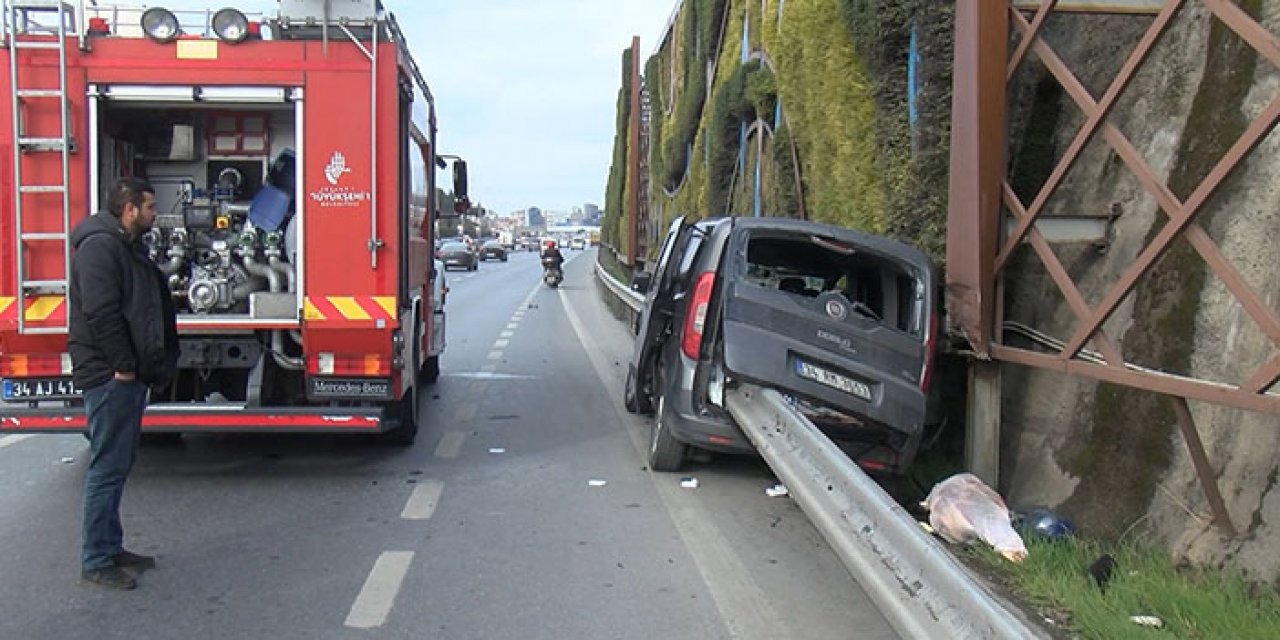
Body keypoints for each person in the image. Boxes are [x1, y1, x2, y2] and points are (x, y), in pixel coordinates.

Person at [68, 177, 178, 590]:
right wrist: (123, 367)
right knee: (107, 468)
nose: (154, 214)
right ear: (129, 208)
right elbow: (101, 313)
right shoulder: (101, 247)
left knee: (116, 466)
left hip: (124, 374)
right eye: (149, 207)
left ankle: (111, 547)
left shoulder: (122, 245)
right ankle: (96, 559)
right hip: (110, 375)